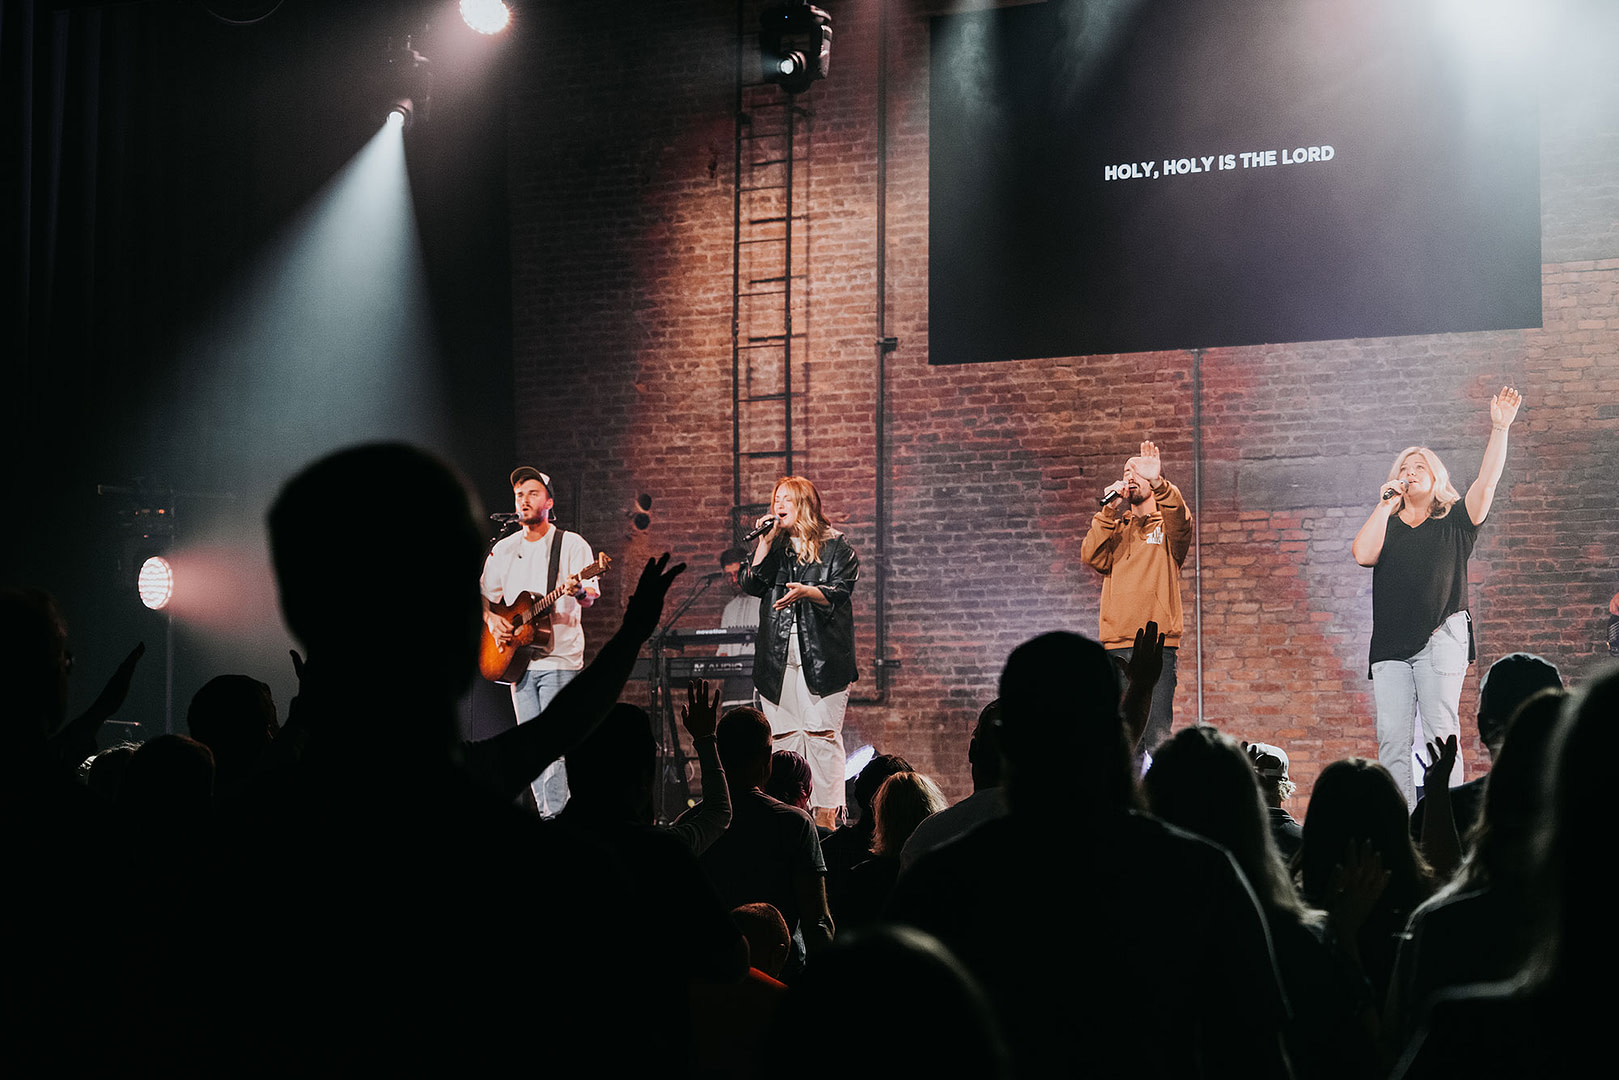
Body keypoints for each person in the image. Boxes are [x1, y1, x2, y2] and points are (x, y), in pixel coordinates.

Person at [1352, 387, 1522, 808]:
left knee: (1440, 736)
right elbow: (1362, 554)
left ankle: (1446, 824)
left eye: (1419, 466)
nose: (1410, 471)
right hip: (1390, 645)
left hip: (1441, 638)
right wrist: (1384, 506)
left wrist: (1500, 428)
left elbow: (1488, 481)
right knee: (1391, 739)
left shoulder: (1457, 521)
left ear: (1436, 476)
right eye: (1404, 467)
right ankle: (1404, 828)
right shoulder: (1387, 523)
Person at [480, 466, 600, 815]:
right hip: (517, 659)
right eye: (519, 495)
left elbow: (590, 594)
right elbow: (485, 596)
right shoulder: (503, 548)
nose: (524, 500)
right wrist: (493, 620)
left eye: (532, 493)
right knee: (528, 745)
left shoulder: (570, 544)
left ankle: (557, 819)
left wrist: (579, 589)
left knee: (553, 743)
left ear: (549, 501)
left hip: (559, 657)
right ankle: (547, 815)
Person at [743, 476, 859, 828]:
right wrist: (763, 542)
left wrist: (807, 592)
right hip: (777, 657)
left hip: (822, 657)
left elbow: (841, 590)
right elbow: (751, 584)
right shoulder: (775, 546)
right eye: (776, 499)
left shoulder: (837, 546)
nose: (778, 506)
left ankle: (826, 819)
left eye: (787, 500)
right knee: (784, 738)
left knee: (820, 733)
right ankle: (788, 815)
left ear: (805, 505)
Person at [1080, 440, 1192, 763]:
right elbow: (1091, 554)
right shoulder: (1116, 530)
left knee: (1155, 737)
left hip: (1156, 646)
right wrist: (1108, 507)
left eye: (1137, 471)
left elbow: (1181, 519)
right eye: (1126, 471)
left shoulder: (1169, 530)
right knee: (1116, 739)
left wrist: (1157, 480)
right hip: (1115, 648)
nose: (1130, 476)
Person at [715, 545, 759, 711]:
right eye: (728, 575)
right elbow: (723, 650)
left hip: (756, 679)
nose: (733, 580)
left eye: (736, 574)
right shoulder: (729, 608)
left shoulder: (763, 602)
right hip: (732, 683)